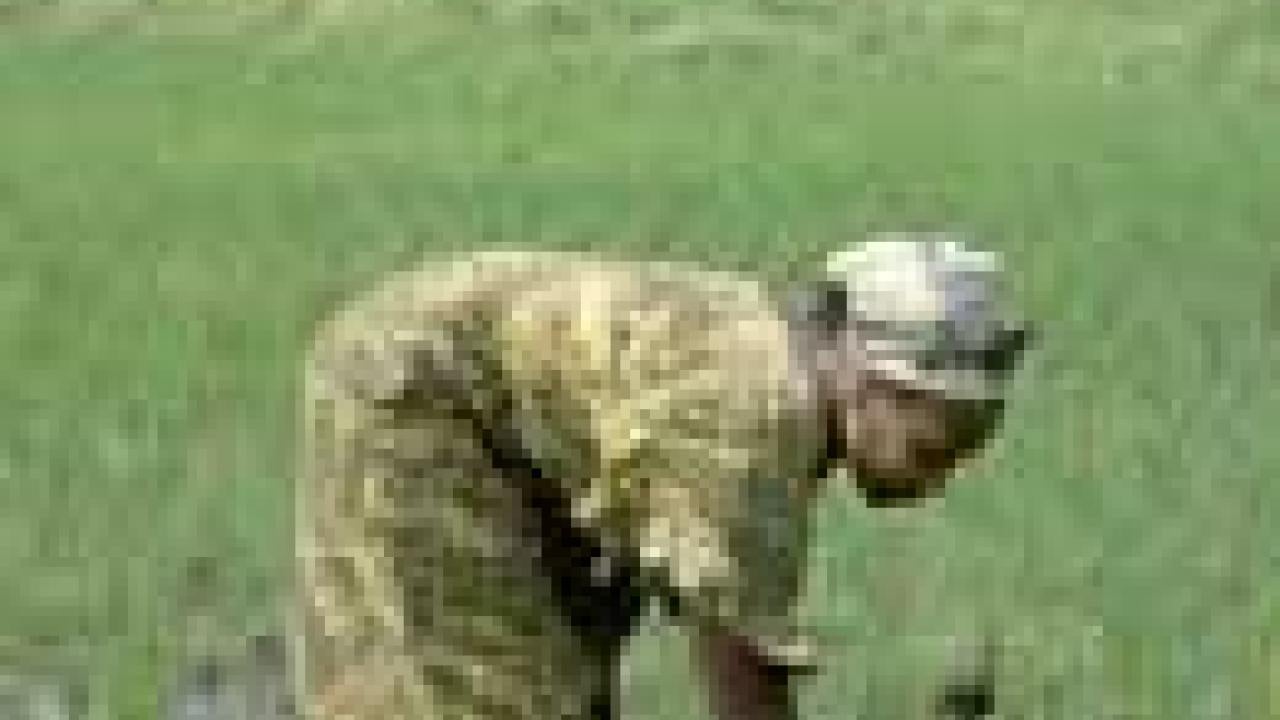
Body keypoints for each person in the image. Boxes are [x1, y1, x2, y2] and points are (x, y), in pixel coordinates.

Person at [292, 233, 1033, 720]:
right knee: (471, 693)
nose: (937, 485)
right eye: (930, 452)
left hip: (519, 448)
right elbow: (739, 656)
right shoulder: (754, 417)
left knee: (563, 683)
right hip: (419, 402)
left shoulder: (786, 386)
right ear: (868, 382)